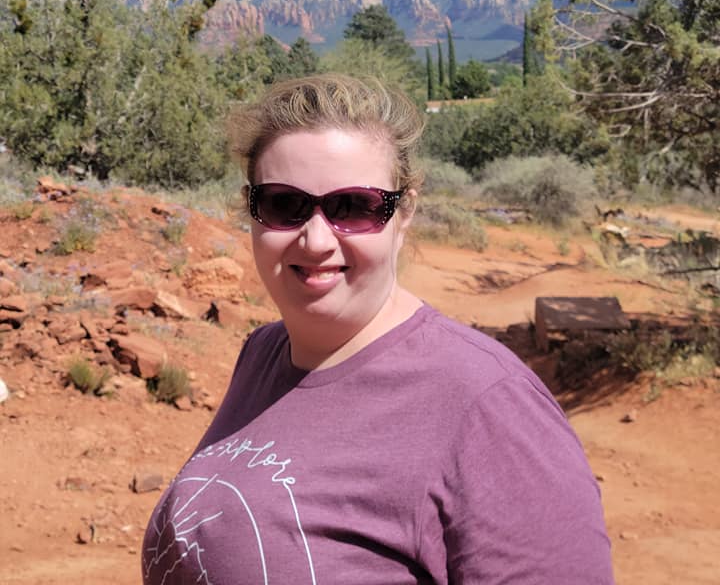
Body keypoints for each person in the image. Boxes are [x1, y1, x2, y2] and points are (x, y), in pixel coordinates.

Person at [142, 73, 615, 585]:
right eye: (284, 203)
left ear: (403, 212)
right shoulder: (263, 353)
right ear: (252, 209)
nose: (317, 239)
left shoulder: (487, 404)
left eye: (355, 207)